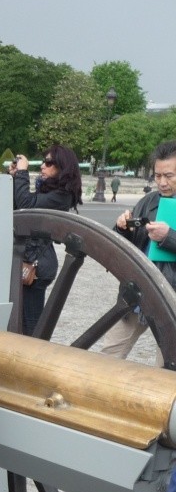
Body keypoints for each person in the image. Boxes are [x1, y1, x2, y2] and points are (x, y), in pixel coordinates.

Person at [101, 141, 176, 365]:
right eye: (157, 175)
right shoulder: (148, 201)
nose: (162, 182)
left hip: (171, 295)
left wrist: (168, 237)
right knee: (108, 354)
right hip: (138, 290)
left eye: (169, 176)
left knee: (167, 366)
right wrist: (122, 228)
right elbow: (127, 246)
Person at [9, 144, 82, 336]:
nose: (42, 165)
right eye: (43, 161)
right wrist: (15, 177)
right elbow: (16, 208)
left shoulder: (61, 196)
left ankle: (33, 358)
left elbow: (27, 207)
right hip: (30, 258)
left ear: (62, 167)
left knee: (32, 324)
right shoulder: (48, 190)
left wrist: (24, 173)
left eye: (49, 162)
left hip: (37, 265)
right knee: (20, 318)